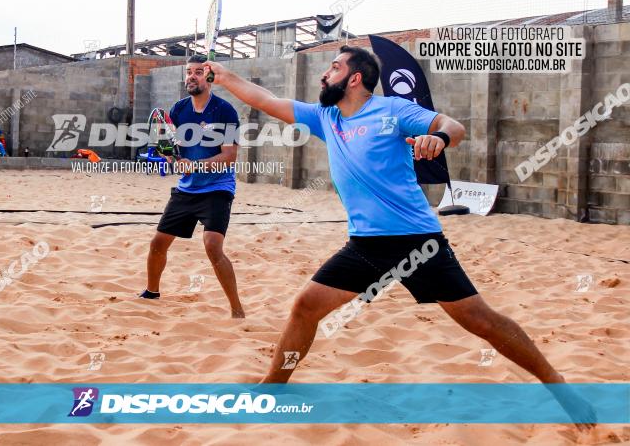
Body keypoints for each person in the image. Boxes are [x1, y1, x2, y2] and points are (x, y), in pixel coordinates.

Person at [203, 46, 594, 426]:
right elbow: (266, 98)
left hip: (416, 242)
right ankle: (275, 386)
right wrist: (224, 77)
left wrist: (437, 139)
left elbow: (453, 128)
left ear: (354, 78)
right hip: (365, 245)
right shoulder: (326, 117)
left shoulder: (392, 110)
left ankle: (558, 386)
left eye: (334, 67)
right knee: (306, 307)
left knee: (481, 321)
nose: (325, 74)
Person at [139, 55, 246, 318]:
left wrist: (194, 165)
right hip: (187, 189)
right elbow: (172, 149)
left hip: (217, 188)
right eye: (189, 72)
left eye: (199, 72)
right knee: (157, 243)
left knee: (212, 245)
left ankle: (236, 309)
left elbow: (229, 157)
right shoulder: (178, 110)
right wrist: (171, 157)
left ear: (209, 78)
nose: (192, 77)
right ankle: (152, 292)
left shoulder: (225, 111)